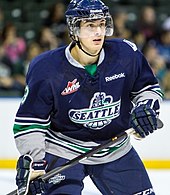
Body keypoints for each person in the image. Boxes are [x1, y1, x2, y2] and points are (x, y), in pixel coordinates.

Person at [13, 0, 164, 194]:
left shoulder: (126, 54)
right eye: (90, 25)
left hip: (115, 149)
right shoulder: (46, 69)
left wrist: (146, 108)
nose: (99, 32)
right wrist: (35, 163)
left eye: (102, 24)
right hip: (62, 151)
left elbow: (148, 88)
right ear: (74, 29)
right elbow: (30, 122)